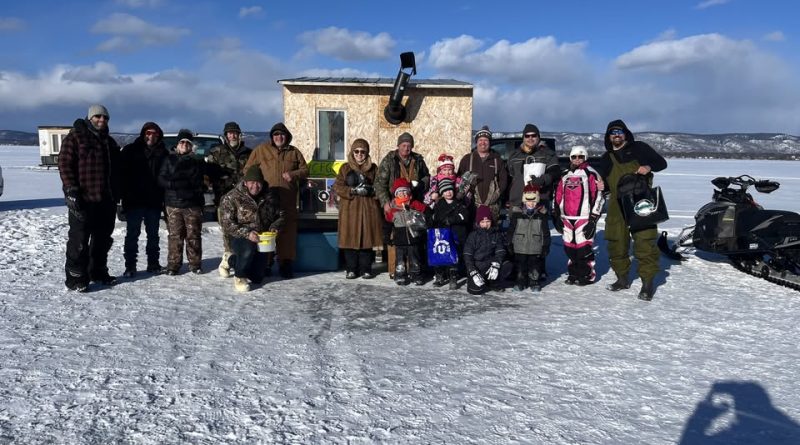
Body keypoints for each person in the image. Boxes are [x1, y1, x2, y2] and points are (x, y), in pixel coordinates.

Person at [595, 119, 667, 301]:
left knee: (645, 241)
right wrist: (602, 186)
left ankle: (647, 283)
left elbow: (662, 163)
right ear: (608, 137)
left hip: (640, 201)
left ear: (625, 134)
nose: (616, 135)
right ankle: (622, 278)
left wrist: (648, 167)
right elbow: (606, 185)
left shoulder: (639, 148)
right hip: (616, 204)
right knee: (616, 241)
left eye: (620, 131)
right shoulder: (605, 158)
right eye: (613, 132)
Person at [58, 104, 121, 291]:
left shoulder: (109, 142)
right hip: (82, 199)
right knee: (79, 240)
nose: (102, 120)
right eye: (98, 117)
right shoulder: (76, 137)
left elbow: (117, 171)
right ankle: (76, 278)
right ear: (90, 118)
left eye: (105, 118)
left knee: (102, 239)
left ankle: (98, 271)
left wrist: (117, 194)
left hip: (105, 199)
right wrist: (70, 190)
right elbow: (64, 163)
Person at [244, 123, 308, 279]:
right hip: (267, 200)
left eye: (282, 134)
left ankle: (285, 264)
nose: (279, 137)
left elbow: (306, 170)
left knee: (287, 232)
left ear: (287, 136)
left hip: (287, 199)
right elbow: (247, 170)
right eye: (276, 135)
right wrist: (257, 184)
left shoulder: (294, 152)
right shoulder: (260, 150)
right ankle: (265, 263)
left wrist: (293, 174)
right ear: (272, 137)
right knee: (266, 230)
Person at [158, 130, 220, 275]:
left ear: (191, 146)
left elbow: (205, 180)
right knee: (175, 236)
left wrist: (201, 186)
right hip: (173, 204)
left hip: (193, 204)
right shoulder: (168, 160)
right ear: (177, 145)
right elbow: (161, 179)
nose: (184, 144)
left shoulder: (198, 162)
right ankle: (173, 265)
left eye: (187, 142)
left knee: (193, 235)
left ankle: (195, 264)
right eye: (182, 142)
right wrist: (173, 185)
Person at [506, 123, 560, 278]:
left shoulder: (547, 154)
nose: (530, 138)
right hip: (517, 201)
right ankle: (519, 271)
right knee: (517, 234)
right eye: (527, 136)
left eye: (533, 135)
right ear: (523, 137)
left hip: (538, 200)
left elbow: (555, 171)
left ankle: (538, 270)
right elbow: (510, 176)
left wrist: (543, 180)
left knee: (538, 235)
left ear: (538, 137)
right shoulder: (515, 155)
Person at [219, 164, 284, 292]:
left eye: (258, 182)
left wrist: (275, 227)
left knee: (257, 277)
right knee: (248, 249)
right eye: (252, 182)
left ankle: (230, 260)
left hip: (262, 238)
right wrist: (247, 233)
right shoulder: (232, 197)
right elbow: (226, 223)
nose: (255, 186)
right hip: (239, 236)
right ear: (245, 182)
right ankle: (239, 277)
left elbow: (281, 215)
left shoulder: (270, 196)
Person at [375, 132, 431, 278]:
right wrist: (385, 202)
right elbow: (379, 183)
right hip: (395, 204)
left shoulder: (418, 160)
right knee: (396, 237)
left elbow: (427, 176)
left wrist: (421, 185)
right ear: (398, 146)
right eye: (404, 145)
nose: (406, 148)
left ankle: (415, 269)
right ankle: (396, 270)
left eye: (409, 145)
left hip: (413, 203)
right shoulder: (389, 160)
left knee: (415, 236)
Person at [119, 122, 169, 277]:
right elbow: (121, 174)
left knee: (153, 235)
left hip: (153, 202)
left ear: (159, 135)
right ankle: (130, 266)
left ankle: (153, 264)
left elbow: (168, 177)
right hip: (134, 201)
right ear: (143, 134)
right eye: (148, 133)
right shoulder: (130, 150)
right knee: (132, 235)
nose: (151, 136)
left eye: (154, 133)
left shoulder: (164, 153)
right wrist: (123, 196)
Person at [553, 146, 606, 286]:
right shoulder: (565, 174)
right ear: (570, 158)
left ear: (585, 157)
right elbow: (558, 195)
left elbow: (599, 197)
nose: (577, 159)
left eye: (580, 157)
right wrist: (556, 215)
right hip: (567, 218)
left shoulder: (591, 173)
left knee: (584, 248)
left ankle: (586, 275)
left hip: (584, 217)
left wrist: (593, 220)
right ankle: (573, 273)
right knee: (570, 248)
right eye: (574, 156)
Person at [332, 138, 384, 279]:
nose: (359, 154)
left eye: (363, 151)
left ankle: (366, 269)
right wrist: (353, 191)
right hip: (350, 210)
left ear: (367, 153)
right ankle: (351, 269)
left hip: (369, 210)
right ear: (352, 152)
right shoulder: (345, 168)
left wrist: (371, 191)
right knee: (349, 240)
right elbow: (337, 187)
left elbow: (380, 187)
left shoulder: (374, 169)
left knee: (367, 241)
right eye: (356, 151)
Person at [206, 121, 252, 278]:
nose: (232, 135)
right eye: (229, 133)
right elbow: (207, 174)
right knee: (228, 231)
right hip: (224, 198)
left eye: (235, 133)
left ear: (239, 135)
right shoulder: (217, 152)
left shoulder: (249, 153)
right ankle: (228, 260)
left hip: (245, 200)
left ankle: (242, 260)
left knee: (244, 229)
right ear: (225, 136)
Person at [456, 126, 508, 220]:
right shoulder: (467, 159)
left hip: (492, 206)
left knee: (491, 231)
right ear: (476, 142)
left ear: (489, 142)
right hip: (471, 205)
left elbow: (504, 180)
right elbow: (459, 178)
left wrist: (498, 193)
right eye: (480, 140)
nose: (483, 143)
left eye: (486, 140)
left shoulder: (497, 160)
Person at [385, 178, 428, 286]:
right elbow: (387, 223)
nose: (403, 194)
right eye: (400, 192)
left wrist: (423, 227)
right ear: (396, 194)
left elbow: (426, 212)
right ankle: (400, 276)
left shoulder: (414, 204)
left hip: (414, 238)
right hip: (399, 240)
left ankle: (416, 276)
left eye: (405, 191)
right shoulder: (393, 208)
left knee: (415, 260)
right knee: (400, 262)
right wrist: (386, 236)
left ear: (409, 192)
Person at [507, 185, 550, 292]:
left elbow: (545, 233)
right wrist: (509, 243)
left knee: (535, 266)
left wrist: (545, 246)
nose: (531, 204)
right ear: (524, 200)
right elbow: (511, 230)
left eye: (534, 201)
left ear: (537, 201)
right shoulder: (517, 213)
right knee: (520, 266)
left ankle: (534, 282)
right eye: (528, 201)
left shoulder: (541, 215)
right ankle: (520, 281)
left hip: (535, 246)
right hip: (519, 246)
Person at [463, 205, 512, 295]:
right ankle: (477, 279)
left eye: (488, 221)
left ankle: (493, 283)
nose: (485, 224)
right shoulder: (473, 236)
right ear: (478, 222)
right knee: (475, 291)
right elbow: (467, 255)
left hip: (491, 264)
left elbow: (500, 250)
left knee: (507, 265)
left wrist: (496, 264)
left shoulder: (496, 234)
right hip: (477, 266)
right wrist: (472, 271)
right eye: (482, 222)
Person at [430, 177, 469, 289]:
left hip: (456, 234)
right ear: (442, 192)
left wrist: (452, 219)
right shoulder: (439, 204)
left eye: (450, 189)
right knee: (440, 255)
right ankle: (439, 276)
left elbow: (464, 216)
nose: (448, 192)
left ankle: (453, 276)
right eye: (445, 190)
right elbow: (435, 217)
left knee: (454, 256)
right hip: (443, 234)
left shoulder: (459, 203)